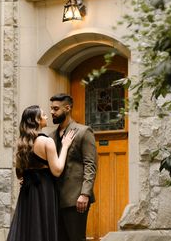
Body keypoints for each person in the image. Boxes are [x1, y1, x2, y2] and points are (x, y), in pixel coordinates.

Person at [7, 105, 75, 241]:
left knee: (28, 228)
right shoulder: (46, 141)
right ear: (37, 120)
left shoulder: (22, 143)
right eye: (43, 115)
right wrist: (65, 146)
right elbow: (57, 170)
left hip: (28, 191)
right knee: (43, 226)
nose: (47, 116)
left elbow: (19, 173)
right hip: (44, 190)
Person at [49, 93, 97, 241]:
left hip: (76, 199)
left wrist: (85, 194)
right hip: (55, 199)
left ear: (67, 108)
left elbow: (91, 164)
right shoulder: (51, 136)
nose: (52, 112)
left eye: (56, 109)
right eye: (51, 108)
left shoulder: (83, 131)